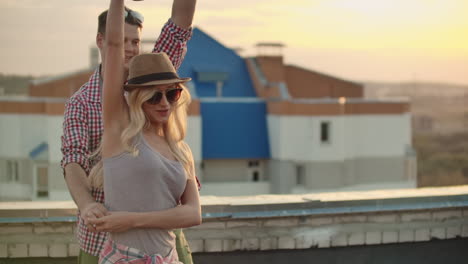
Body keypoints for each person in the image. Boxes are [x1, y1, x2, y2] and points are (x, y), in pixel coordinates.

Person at [60, 0, 198, 263]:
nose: (130, 49)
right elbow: (73, 161)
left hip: (163, 234)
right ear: (102, 40)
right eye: (123, 40)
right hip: (103, 232)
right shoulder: (84, 102)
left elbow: (181, 24)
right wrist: (88, 205)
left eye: (135, 42)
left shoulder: (153, 74)